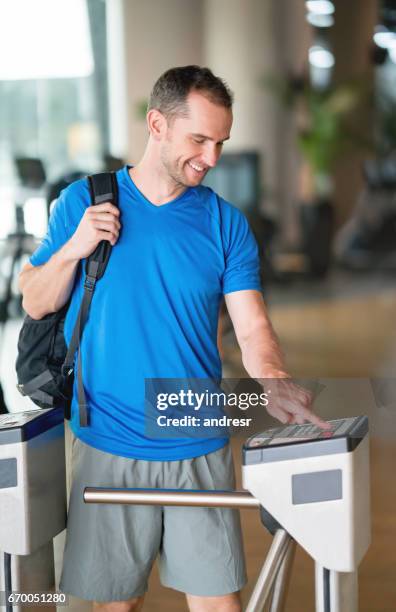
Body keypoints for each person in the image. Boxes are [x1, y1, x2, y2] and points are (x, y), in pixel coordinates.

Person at [19, 66, 330, 612]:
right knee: (115, 606)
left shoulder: (223, 222)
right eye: (200, 139)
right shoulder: (83, 201)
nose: (212, 158)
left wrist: (275, 383)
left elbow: (253, 327)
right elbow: (35, 300)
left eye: (220, 143)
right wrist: (74, 247)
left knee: (217, 605)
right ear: (157, 124)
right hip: (106, 441)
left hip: (197, 436)